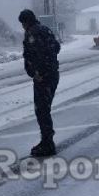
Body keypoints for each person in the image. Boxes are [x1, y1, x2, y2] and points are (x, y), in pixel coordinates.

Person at [19, 9, 61, 157]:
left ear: (25, 22)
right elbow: (56, 47)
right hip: (53, 75)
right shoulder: (45, 30)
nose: (22, 27)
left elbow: (39, 55)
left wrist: (39, 73)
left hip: (43, 78)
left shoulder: (33, 34)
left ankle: (47, 143)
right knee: (44, 110)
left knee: (42, 110)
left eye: (22, 23)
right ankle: (47, 140)